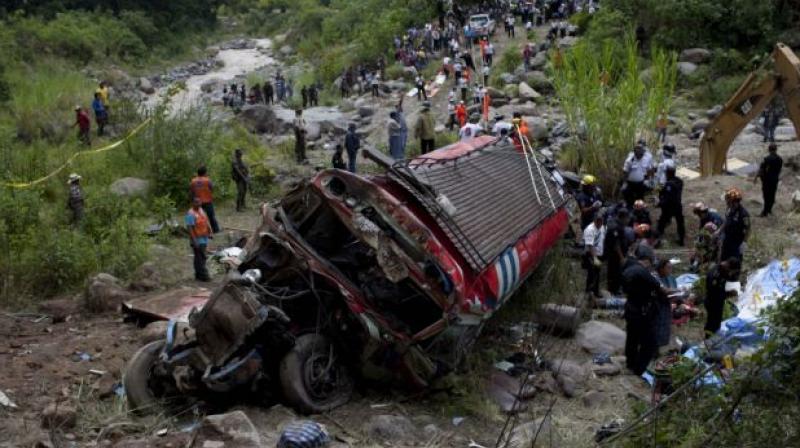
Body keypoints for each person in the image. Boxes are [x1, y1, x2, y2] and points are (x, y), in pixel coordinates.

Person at [622, 245, 665, 375]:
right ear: (647, 260)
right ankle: (639, 369)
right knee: (649, 343)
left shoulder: (628, 268)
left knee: (632, 339)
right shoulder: (643, 272)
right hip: (642, 312)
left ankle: (630, 363)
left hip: (630, 308)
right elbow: (658, 287)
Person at [704, 258, 741, 336]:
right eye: (730, 270)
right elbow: (715, 293)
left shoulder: (721, 269)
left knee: (716, 323)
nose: (730, 273)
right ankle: (708, 339)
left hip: (717, 301)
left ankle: (711, 337)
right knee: (712, 324)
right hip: (713, 302)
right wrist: (729, 294)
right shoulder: (715, 275)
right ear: (728, 266)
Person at [605, 207, 631, 296]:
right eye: (627, 218)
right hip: (614, 255)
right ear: (623, 217)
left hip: (619, 254)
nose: (628, 220)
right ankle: (613, 291)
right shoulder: (615, 226)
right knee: (614, 272)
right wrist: (622, 257)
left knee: (618, 272)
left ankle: (616, 289)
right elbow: (616, 244)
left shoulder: (619, 225)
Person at [656, 166, 685, 246]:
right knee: (680, 223)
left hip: (670, 207)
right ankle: (681, 240)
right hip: (678, 205)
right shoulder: (679, 181)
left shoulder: (669, 184)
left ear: (668, 174)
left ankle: (657, 238)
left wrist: (660, 203)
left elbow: (668, 198)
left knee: (661, 222)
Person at [719, 187, 750, 262]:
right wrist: (719, 231)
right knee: (723, 259)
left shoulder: (744, 215)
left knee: (734, 262)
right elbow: (726, 220)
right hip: (727, 239)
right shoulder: (729, 209)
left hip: (736, 243)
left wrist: (744, 242)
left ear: (734, 201)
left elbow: (748, 229)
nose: (726, 203)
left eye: (728, 201)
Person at [186, 197, 211, 282]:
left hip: (204, 237)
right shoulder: (190, 214)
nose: (198, 204)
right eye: (196, 202)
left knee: (199, 257)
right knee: (201, 257)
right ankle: (204, 275)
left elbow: (205, 221)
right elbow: (190, 228)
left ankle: (198, 275)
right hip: (197, 238)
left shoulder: (201, 210)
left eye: (199, 202)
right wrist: (194, 240)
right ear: (193, 203)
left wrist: (209, 231)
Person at [754, 143, 783, 217]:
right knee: (772, 195)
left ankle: (764, 212)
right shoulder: (780, 159)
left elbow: (761, 169)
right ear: (776, 149)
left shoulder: (767, 159)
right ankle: (769, 210)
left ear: (769, 150)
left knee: (766, 195)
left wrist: (756, 177)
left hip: (767, 180)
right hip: (775, 179)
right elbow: (779, 170)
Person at [190, 166, 220, 234]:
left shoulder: (193, 181)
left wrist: (192, 200)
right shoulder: (207, 180)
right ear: (205, 173)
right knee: (211, 217)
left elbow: (191, 192)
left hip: (197, 202)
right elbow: (212, 188)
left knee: (199, 218)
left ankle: (200, 231)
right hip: (208, 201)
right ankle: (216, 230)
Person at [655, 260, 677, 348]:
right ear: (661, 268)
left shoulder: (671, 278)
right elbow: (665, 290)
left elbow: (673, 292)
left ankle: (662, 344)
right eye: (668, 268)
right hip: (656, 304)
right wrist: (679, 290)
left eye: (671, 268)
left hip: (667, 304)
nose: (670, 270)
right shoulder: (655, 277)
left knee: (665, 325)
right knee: (657, 325)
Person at [583, 213, 605, 299]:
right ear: (595, 221)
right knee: (592, 273)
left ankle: (594, 290)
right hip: (591, 254)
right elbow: (590, 245)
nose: (600, 224)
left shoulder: (602, 227)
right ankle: (590, 291)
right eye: (598, 222)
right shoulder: (590, 229)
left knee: (597, 273)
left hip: (599, 253)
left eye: (601, 222)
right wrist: (595, 258)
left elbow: (602, 238)